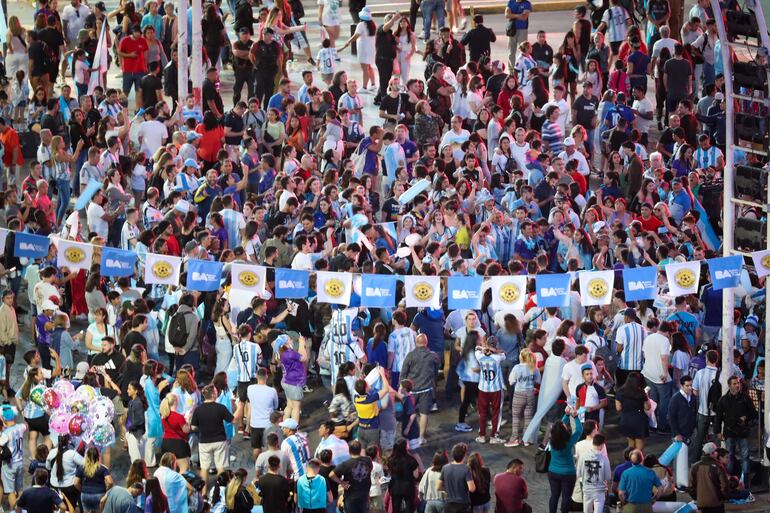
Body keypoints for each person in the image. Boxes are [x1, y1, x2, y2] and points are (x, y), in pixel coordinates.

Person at [715, 376, 757, 485]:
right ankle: (729, 481)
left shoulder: (745, 398)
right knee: (729, 457)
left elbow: (753, 413)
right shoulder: (723, 400)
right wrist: (718, 431)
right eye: (734, 383)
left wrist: (746, 417)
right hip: (729, 432)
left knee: (745, 457)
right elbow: (718, 417)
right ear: (729, 386)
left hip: (743, 432)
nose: (737, 385)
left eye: (738, 383)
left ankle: (745, 481)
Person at [191, 384, 235, 484]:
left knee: (204, 468)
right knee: (220, 467)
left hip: (204, 442)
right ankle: (221, 490)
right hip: (220, 441)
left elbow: (193, 427)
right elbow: (232, 420)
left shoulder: (198, 410)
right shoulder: (221, 408)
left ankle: (203, 494)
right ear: (214, 395)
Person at [668, 375, 697, 487]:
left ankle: (683, 482)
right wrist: (676, 433)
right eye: (687, 385)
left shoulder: (693, 398)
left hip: (689, 432)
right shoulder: (675, 399)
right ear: (682, 385)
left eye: (691, 385)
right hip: (679, 434)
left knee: (686, 459)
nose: (690, 388)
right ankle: (679, 484)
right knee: (679, 460)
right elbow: (671, 417)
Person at [330, 440, 374, 513]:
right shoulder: (368, 460)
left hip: (351, 498)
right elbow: (370, 468)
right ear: (360, 450)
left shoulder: (346, 464)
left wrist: (341, 482)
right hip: (364, 496)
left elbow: (331, 474)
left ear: (349, 450)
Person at [576, 433, 611, 513]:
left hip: (587, 489)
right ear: (602, 444)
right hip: (599, 491)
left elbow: (578, 473)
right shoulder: (604, 459)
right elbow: (608, 477)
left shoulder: (583, 456)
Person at [689, 442, 728, 513]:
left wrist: (696, 498)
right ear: (712, 453)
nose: (717, 453)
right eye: (715, 451)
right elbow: (724, 486)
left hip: (701, 503)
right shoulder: (718, 467)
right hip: (717, 504)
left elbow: (690, 487)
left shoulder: (695, 467)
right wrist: (722, 498)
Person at [437, 443, 476, 513]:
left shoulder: (445, 468)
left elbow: (438, 487)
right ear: (464, 456)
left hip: (449, 505)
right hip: (463, 505)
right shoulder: (466, 469)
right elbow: (472, 488)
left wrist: (448, 489)